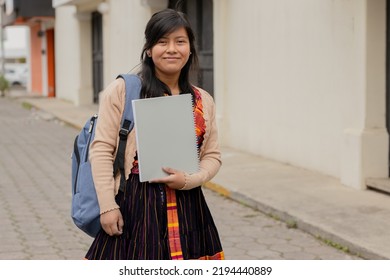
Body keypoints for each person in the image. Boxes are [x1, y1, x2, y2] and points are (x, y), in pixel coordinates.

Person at [85, 8, 224, 260]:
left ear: (190, 48)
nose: (172, 49)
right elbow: (102, 149)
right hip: (135, 207)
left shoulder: (203, 100)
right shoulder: (123, 91)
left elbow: (212, 155)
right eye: (162, 42)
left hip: (189, 207)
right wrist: (107, 206)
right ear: (149, 49)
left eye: (180, 41)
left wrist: (189, 180)